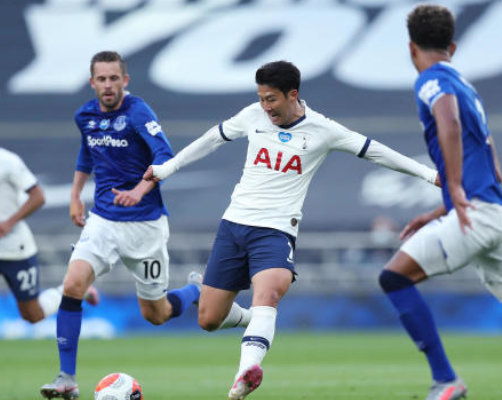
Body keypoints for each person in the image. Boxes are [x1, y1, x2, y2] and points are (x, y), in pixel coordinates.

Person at [144, 60, 440, 400]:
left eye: (271, 99)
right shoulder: (253, 116)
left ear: (292, 94)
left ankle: (246, 372)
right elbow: (213, 138)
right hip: (234, 226)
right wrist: (168, 168)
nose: (265, 106)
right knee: (209, 319)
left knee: (269, 294)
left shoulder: (322, 129)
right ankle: (233, 309)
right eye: (261, 98)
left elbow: (375, 151)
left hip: (276, 231)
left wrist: (430, 175)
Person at [40, 51, 201, 400]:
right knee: (72, 284)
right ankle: (67, 378)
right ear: (92, 82)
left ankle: (195, 290)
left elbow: (165, 156)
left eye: (114, 78)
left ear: (125, 80)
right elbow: (87, 153)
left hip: (145, 226)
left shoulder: (138, 112)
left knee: (156, 314)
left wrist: (139, 190)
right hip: (102, 221)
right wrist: (75, 195)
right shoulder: (85, 116)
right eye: (102, 79)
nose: (108, 85)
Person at [379, 5, 502, 400]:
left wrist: (454, 189)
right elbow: (492, 164)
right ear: (453, 46)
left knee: (394, 278)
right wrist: (442, 208)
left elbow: (447, 121)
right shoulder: (466, 86)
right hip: (492, 211)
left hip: (475, 215)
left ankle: (446, 380)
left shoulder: (432, 80)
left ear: (411, 48)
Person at [0, 147, 99, 325]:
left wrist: (9, 222)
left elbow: (38, 197)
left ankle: (75, 291)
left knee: (32, 314)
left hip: (14, 249)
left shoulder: (7, 161)